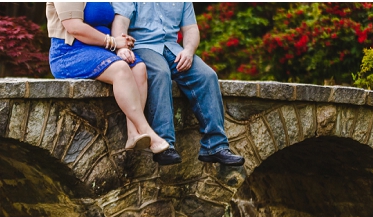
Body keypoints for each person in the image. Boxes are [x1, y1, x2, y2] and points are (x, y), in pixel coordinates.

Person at [110, 3, 246, 167]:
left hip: (174, 49)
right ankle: (164, 145)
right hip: (142, 47)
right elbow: (120, 22)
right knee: (160, 73)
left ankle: (215, 147)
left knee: (207, 76)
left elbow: (190, 29)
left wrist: (189, 50)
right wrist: (121, 48)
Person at [47, 2, 169, 154]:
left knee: (138, 68)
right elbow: (75, 28)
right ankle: (147, 131)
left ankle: (133, 133)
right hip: (69, 52)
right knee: (121, 69)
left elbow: (117, 23)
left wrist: (121, 48)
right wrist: (113, 42)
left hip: (102, 50)